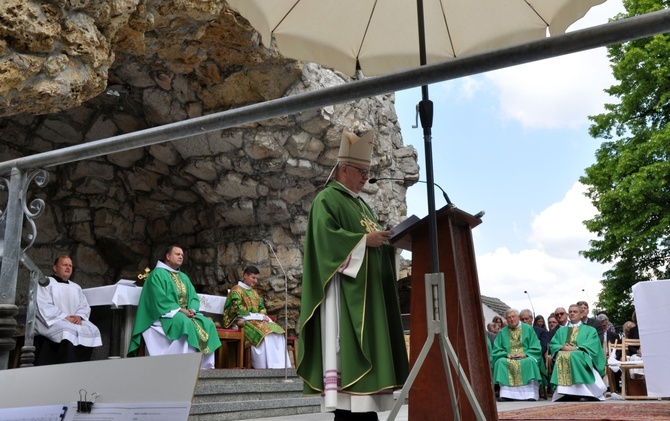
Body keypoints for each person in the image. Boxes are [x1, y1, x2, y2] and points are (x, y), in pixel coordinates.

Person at [299, 127, 409, 421]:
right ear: (344, 169)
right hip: (344, 296)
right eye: (361, 172)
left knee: (366, 396)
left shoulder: (363, 206)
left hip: (367, 295)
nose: (365, 178)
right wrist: (363, 242)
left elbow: (372, 241)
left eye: (368, 173)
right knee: (349, 381)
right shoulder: (327, 200)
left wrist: (388, 245)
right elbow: (325, 243)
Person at [127, 245, 220, 369]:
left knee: (208, 324)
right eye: (178, 254)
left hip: (184, 313)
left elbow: (193, 296)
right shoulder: (157, 274)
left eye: (182, 255)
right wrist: (181, 310)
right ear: (168, 256)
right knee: (184, 323)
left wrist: (191, 309)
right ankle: (183, 365)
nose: (181, 256)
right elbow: (158, 298)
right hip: (163, 314)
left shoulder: (183, 277)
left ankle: (205, 366)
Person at [35, 255, 102, 365]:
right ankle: (65, 364)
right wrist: (64, 317)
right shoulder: (46, 283)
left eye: (70, 265)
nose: (68, 267)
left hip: (73, 320)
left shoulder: (76, 287)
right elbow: (43, 305)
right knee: (66, 330)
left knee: (92, 329)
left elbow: (84, 306)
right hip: (53, 320)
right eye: (64, 265)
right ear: (55, 268)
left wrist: (79, 316)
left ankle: (83, 365)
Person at [222, 265, 291, 369]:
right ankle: (265, 366)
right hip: (241, 322)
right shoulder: (236, 290)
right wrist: (258, 317)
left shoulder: (254, 292)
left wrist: (262, 317)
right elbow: (237, 310)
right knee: (265, 334)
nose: (255, 281)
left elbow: (261, 308)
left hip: (256, 320)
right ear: (245, 275)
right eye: (253, 278)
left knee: (277, 332)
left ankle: (279, 366)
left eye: (256, 278)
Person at [549, 304, 607, 401]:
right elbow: (553, 344)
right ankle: (565, 392)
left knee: (573, 355)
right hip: (565, 353)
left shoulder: (590, 330)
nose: (572, 313)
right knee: (562, 355)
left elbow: (593, 344)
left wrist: (576, 348)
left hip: (583, 354)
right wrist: (562, 347)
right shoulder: (561, 331)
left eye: (575, 312)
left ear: (581, 315)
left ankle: (583, 392)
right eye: (570, 312)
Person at [491, 309, 543, 401]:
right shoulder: (502, 332)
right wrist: (506, 355)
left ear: (518, 317)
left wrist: (526, 354)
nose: (511, 319)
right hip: (509, 357)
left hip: (525, 357)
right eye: (509, 318)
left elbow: (536, 346)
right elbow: (496, 349)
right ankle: (506, 394)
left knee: (530, 361)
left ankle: (529, 394)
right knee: (500, 362)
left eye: (513, 317)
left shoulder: (528, 329)